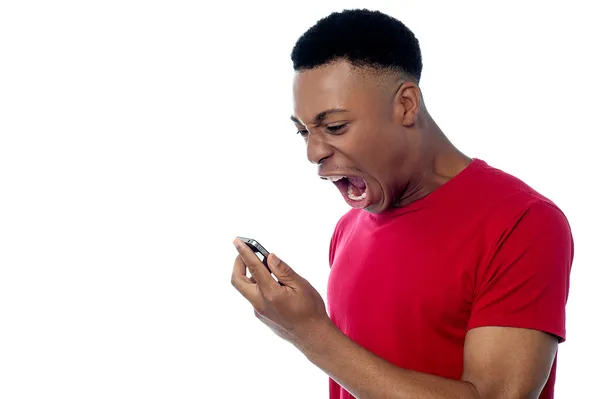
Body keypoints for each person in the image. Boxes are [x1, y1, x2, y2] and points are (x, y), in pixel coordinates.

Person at [230, 8, 573, 399]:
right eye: (303, 131)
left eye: (335, 126)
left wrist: (309, 333)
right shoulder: (348, 228)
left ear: (406, 105)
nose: (313, 152)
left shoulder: (523, 222)